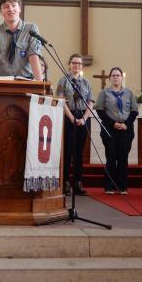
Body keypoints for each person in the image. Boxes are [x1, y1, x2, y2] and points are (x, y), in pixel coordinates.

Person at [96, 67, 138, 195]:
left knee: (123, 157)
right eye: (113, 75)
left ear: (121, 77)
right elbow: (100, 110)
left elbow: (134, 111)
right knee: (111, 156)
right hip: (110, 128)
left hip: (126, 129)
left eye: (118, 75)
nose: (116, 77)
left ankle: (122, 186)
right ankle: (109, 186)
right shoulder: (104, 93)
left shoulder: (129, 93)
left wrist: (126, 124)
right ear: (110, 78)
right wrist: (113, 124)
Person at [0, 0, 43, 80]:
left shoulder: (31, 29)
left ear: (19, 9)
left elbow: (33, 57)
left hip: (25, 81)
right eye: (6, 7)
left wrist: (40, 84)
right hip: (2, 82)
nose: (11, 9)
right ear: (0, 11)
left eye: (14, 5)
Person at [56, 53, 94, 196]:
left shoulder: (86, 83)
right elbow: (61, 100)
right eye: (74, 63)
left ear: (81, 66)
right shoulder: (63, 81)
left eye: (79, 63)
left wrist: (84, 118)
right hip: (68, 116)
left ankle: (78, 182)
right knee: (68, 151)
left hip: (83, 117)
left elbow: (90, 102)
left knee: (79, 152)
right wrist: (72, 118)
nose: (76, 65)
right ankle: (65, 183)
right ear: (69, 64)